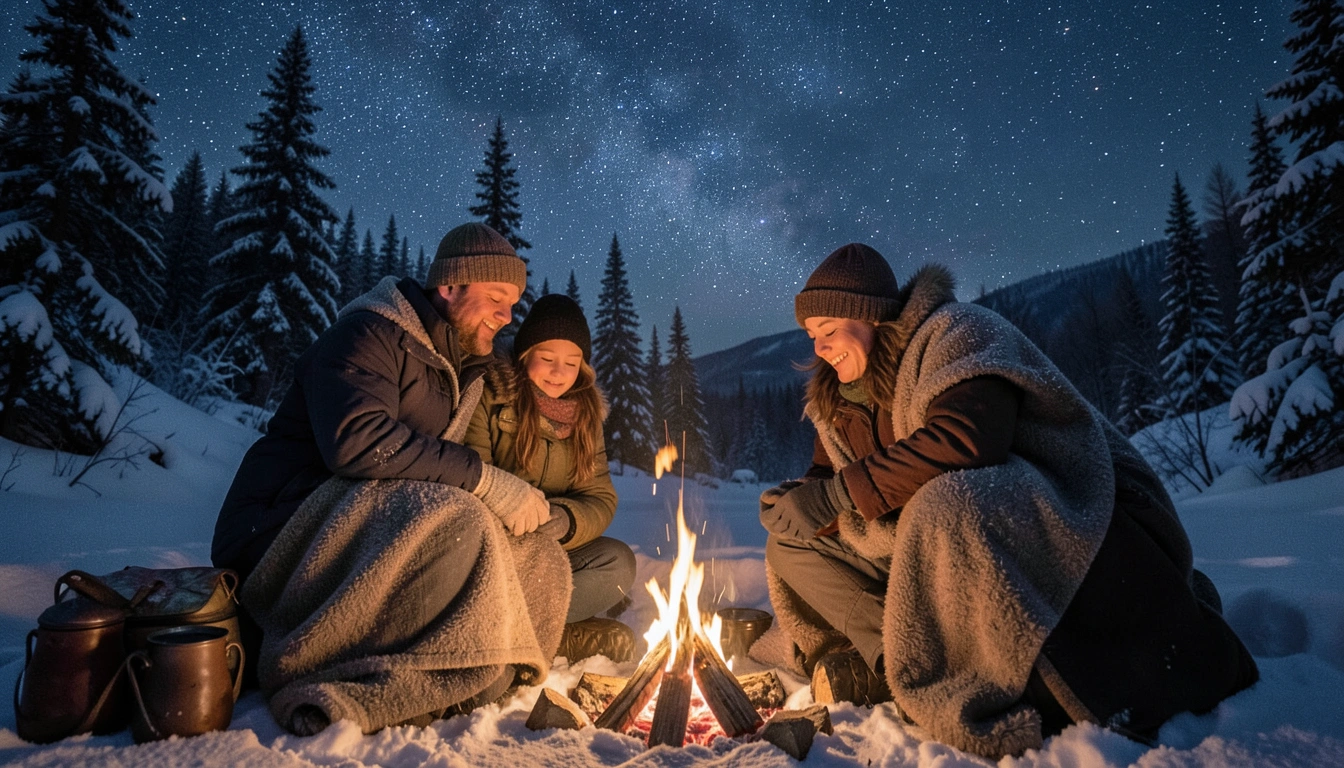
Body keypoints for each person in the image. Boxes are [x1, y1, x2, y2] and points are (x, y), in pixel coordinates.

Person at [760, 243, 1258, 759]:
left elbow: (969, 439)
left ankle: (986, 671)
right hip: (928, 541)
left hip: (1043, 513)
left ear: (871, 318)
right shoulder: (838, 399)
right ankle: (899, 664)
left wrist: (836, 495)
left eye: (829, 331)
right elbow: (828, 476)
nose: (819, 349)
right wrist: (797, 501)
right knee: (788, 547)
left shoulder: (955, 334)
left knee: (946, 502)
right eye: (812, 336)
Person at [212, 223, 571, 735]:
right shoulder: (369, 333)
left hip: (365, 516)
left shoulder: (459, 367)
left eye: (512, 303)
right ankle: (390, 678)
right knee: (461, 519)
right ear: (450, 286)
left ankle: (491, 662)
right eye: (495, 297)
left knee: (534, 550)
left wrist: (524, 506)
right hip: (281, 527)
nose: (506, 316)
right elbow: (358, 441)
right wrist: (485, 482)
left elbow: (431, 469)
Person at [464, 293, 638, 662]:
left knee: (618, 564)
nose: (559, 373)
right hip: (497, 552)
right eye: (547, 359)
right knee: (480, 588)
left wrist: (567, 520)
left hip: (554, 548)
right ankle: (552, 638)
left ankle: (520, 634)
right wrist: (514, 515)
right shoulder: (489, 397)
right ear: (526, 355)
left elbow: (600, 497)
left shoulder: (586, 417)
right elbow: (471, 475)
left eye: (572, 363)